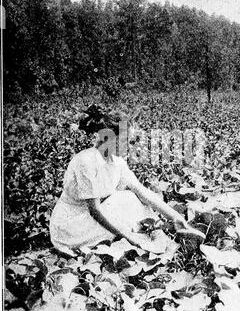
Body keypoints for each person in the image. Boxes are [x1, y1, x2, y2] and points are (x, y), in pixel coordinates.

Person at [49, 105, 204, 256]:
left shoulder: (117, 162)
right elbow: (95, 210)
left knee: (134, 196)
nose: (130, 146)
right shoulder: (87, 161)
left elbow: (143, 192)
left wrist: (177, 218)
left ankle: (161, 235)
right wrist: (131, 239)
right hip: (70, 228)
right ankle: (155, 237)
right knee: (127, 200)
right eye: (126, 140)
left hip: (89, 220)